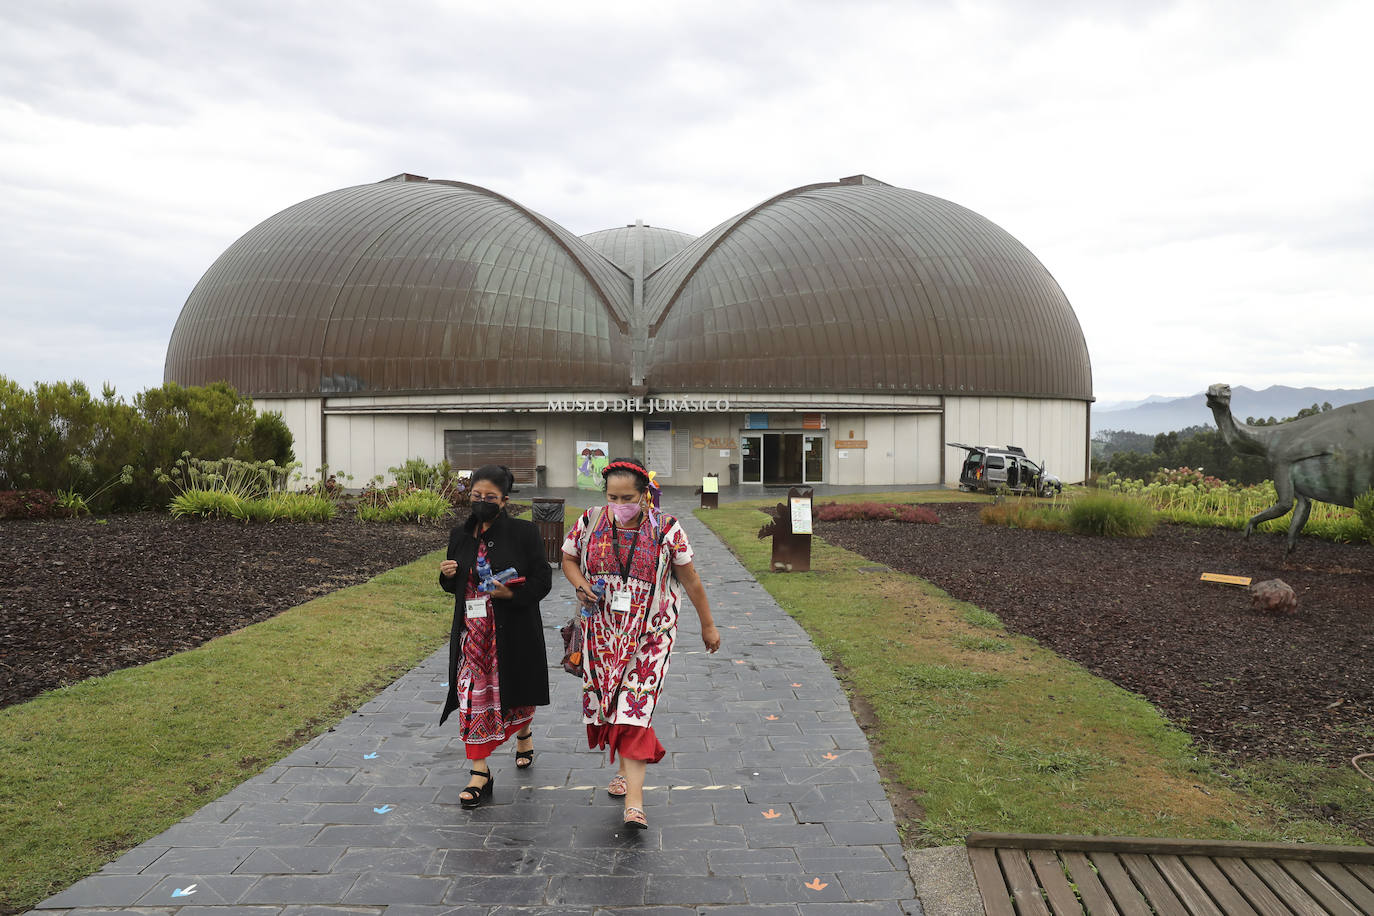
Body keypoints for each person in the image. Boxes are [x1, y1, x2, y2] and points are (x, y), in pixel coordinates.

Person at [560, 457, 720, 830]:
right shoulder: (591, 520)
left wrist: (708, 626)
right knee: (610, 702)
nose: (619, 505)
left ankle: (634, 803)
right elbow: (567, 559)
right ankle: (622, 771)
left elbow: (691, 579)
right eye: (613, 497)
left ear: (644, 495)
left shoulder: (666, 528)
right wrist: (581, 584)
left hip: (652, 633)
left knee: (634, 708)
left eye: (627, 497)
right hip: (602, 631)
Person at [438, 464, 552, 808]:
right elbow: (453, 585)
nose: (482, 502)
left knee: (516, 696)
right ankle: (479, 773)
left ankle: (524, 734)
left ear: (503, 500)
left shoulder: (524, 532)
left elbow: (542, 580)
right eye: (476, 496)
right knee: (472, 700)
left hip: (512, 632)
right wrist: (447, 575)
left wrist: (511, 595)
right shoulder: (460, 535)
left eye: (489, 497)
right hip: (473, 637)